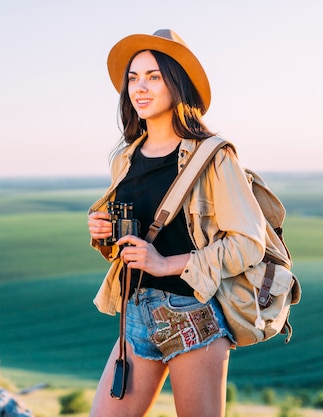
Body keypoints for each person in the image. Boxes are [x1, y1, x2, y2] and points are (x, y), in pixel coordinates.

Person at [87, 29, 267, 417]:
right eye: (133, 78)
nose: (140, 87)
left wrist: (168, 263)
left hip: (192, 316)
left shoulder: (214, 157)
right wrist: (106, 237)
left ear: (177, 82)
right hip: (135, 313)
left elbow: (249, 242)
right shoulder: (126, 158)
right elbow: (136, 248)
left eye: (153, 76)